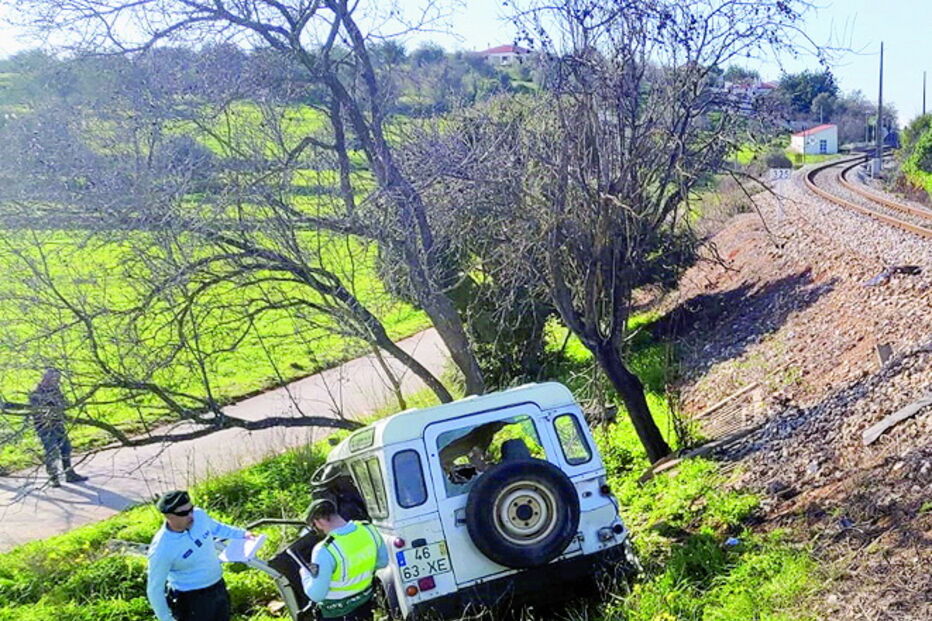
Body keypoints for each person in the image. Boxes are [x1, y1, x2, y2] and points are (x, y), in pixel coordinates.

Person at [146, 490, 257, 621]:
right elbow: (155, 589)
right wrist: (166, 619)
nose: (191, 515)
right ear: (168, 516)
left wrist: (242, 534)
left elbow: (217, 528)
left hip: (218, 587)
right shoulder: (162, 549)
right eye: (184, 513)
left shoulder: (199, 516)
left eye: (191, 509)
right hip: (191, 601)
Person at [299, 498, 388, 621]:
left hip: (336, 613)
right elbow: (383, 562)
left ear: (318, 521)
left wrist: (305, 573)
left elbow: (317, 595)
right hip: (364, 603)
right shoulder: (368, 529)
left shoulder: (325, 550)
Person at [28, 367, 86, 487]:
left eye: (57, 379)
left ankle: (69, 473)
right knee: (51, 451)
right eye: (54, 379)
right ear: (46, 378)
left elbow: (63, 404)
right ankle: (53, 477)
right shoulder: (35, 393)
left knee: (66, 448)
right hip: (45, 427)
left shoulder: (55, 390)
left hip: (58, 424)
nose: (57, 381)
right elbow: (38, 412)